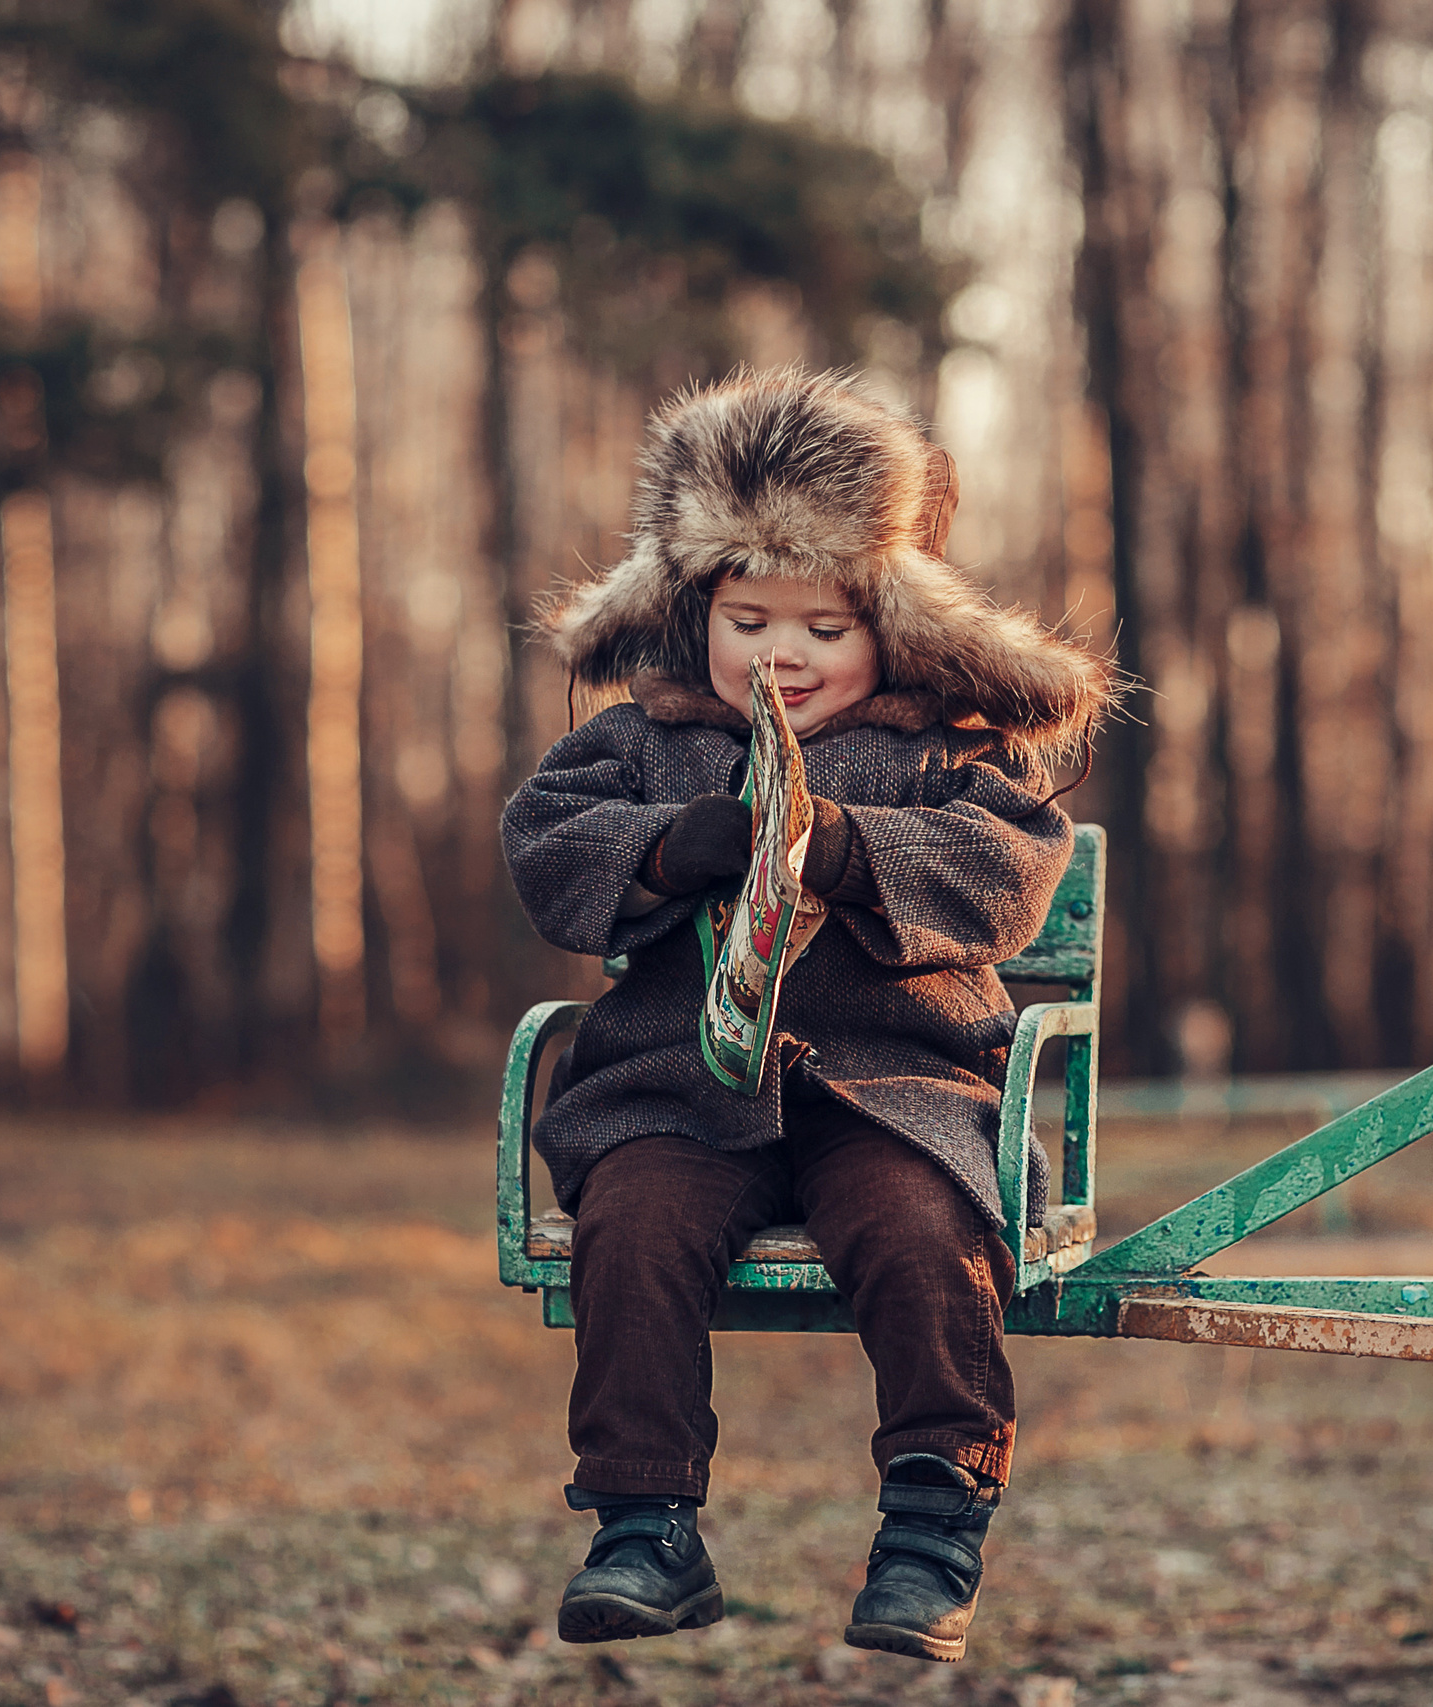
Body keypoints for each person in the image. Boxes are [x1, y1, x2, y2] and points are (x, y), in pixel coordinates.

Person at [501, 368, 1117, 1663]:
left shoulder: (943, 749)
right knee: (634, 1227)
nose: (781, 654)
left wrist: (841, 846)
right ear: (695, 615)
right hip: (678, 1086)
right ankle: (642, 1525)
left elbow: (1008, 874)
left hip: (893, 1088)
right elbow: (545, 846)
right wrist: (678, 843)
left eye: (824, 627)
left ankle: (932, 1523)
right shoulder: (645, 740)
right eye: (748, 617)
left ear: (890, 625)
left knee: (914, 1234)